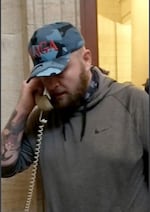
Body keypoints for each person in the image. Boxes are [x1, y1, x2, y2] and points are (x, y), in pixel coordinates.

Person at [1, 21, 149, 212]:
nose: (53, 83)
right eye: (45, 75)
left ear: (86, 59)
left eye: (60, 70)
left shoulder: (133, 102)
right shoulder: (43, 117)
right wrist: (23, 107)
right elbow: (4, 167)